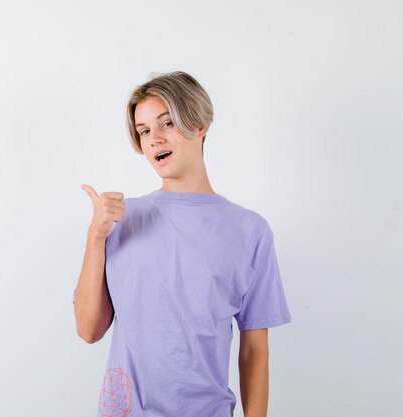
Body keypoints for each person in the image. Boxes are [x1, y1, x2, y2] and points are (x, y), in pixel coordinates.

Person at [72, 71, 292, 417]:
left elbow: (254, 348)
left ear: (200, 124)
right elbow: (88, 330)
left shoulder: (250, 231)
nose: (154, 139)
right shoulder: (121, 219)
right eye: (144, 131)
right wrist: (95, 237)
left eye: (167, 123)